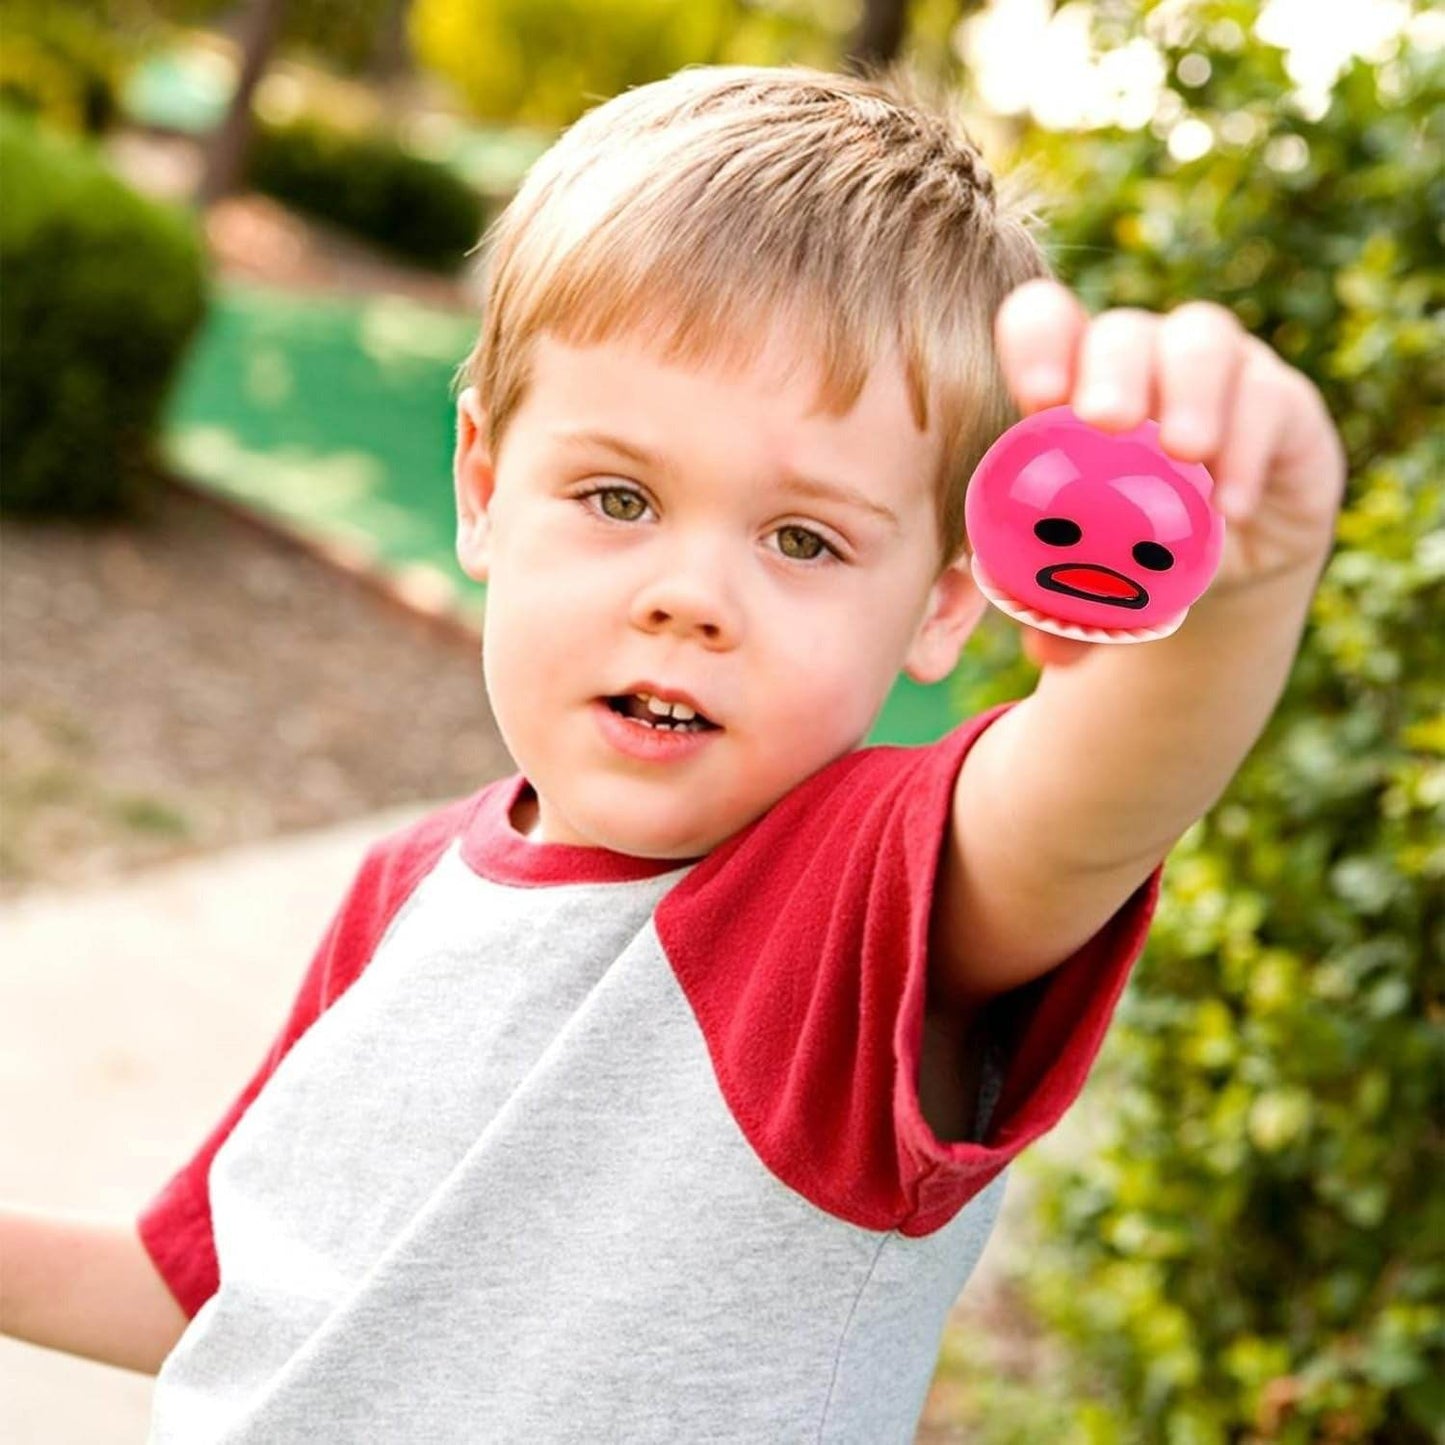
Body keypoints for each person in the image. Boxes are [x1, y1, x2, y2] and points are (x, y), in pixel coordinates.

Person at [1, 64, 1345, 1442]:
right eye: (619, 497)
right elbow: (229, 1286)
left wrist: (1242, 591)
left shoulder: (852, 912)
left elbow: (1091, 800)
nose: (691, 596)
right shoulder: (400, 891)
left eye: (803, 539)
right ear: (483, 485)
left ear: (945, 601)